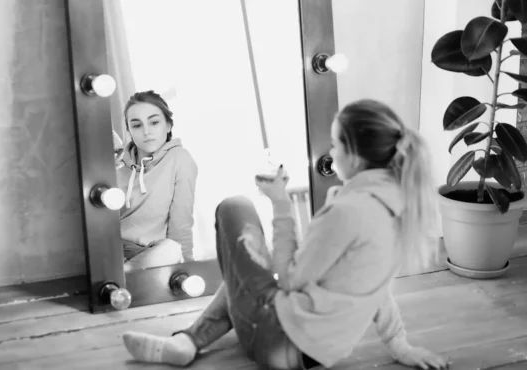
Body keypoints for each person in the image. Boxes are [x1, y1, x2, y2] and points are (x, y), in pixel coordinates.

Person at [122, 99, 450, 369]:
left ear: (355, 154)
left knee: (234, 207)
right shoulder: (398, 206)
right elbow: (374, 286)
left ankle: (189, 340)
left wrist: (280, 204)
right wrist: (399, 345)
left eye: (336, 144)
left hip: (276, 338)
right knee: (245, 269)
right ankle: (187, 341)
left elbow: (290, 279)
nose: (332, 152)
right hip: (314, 354)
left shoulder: (349, 210)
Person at [117, 90, 198, 270]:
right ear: (129, 131)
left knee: (170, 250)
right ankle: (123, 273)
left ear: (168, 125)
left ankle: (126, 274)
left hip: (153, 253)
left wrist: (187, 269)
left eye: (154, 122)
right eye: (137, 125)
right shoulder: (116, 165)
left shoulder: (179, 159)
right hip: (114, 249)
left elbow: (181, 221)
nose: (147, 132)